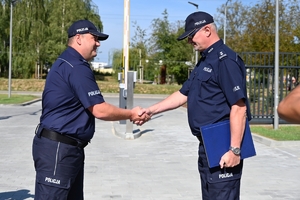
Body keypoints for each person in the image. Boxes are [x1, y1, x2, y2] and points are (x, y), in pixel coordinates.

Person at [139, 11, 251, 200]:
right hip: (208, 145)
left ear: (207, 30)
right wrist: (150, 110)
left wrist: (234, 150)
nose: (189, 41)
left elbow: (239, 107)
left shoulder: (226, 60)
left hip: (224, 145)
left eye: (192, 35)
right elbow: (183, 94)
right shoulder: (206, 60)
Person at [32, 19, 149, 200]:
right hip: (59, 150)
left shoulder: (67, 61)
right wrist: (131, 114)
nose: (98, 43)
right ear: (78, 38)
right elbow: (100, 110)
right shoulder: (76, 66)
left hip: (65, 149)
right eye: (94, 38)